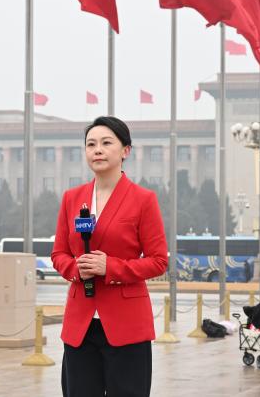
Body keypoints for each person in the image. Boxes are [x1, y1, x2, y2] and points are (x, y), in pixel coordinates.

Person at [51, 117, 168, 397]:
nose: (97, 150)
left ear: (125, 151)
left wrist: (110, 267)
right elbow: (58, 254)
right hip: (80, 325)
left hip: (126, 324)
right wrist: (76, 269)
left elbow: (158, 260)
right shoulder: (72, 198)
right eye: (91, 144)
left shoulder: (143, 199)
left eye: (106, 143)